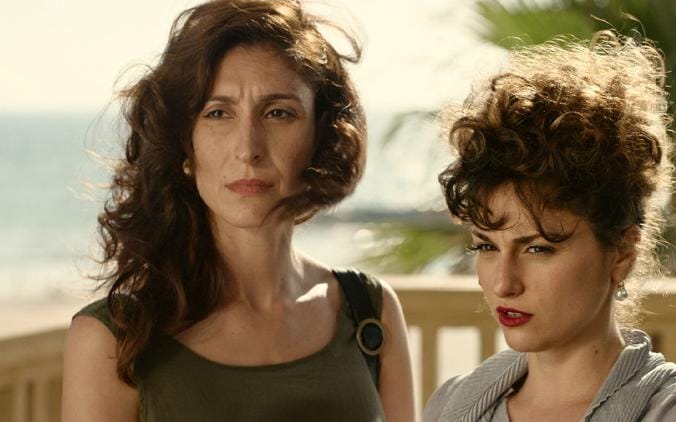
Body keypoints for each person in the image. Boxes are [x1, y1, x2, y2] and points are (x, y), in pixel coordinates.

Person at [61, 1, 415, 421]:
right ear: (185, 144)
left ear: (321, 135)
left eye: (278, 113)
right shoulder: (113, 341)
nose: (248, 149)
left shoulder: (370, 313)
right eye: (218, 113)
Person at [423, 31, 676, 421]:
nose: (503, 283)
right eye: (487, 246)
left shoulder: (674, 416)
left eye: (538, 248)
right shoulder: (451, 406)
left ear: (622, 253)